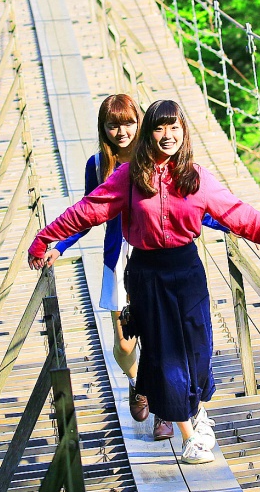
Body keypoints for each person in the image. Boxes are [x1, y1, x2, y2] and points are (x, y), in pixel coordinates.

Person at [30, 99, 260, 465]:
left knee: (199, 352)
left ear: (184, 132)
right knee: (166, 357)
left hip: (187, 269)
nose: (167, 136)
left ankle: (193, 410)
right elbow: (88, 210)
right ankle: (190, 437)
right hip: (148, 273)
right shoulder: (128, 176)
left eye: (174, 128)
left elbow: (239, 214)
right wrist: (45, 239)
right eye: (159, 129)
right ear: (149, 134)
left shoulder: (196, 177)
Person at [39, 94, 226, 441]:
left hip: (158, 258)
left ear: (139, 122)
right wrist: (59, 246)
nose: (121, 131)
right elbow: (87, 213)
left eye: (127, 123)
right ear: (103, 129)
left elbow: (191, 202)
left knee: (164, 344)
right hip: (119, 261)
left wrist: (229, 223)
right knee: (126, 345)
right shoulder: (98, 165)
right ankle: (140, 384)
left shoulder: (160, 154)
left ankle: (162, 409)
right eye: (112, 125)